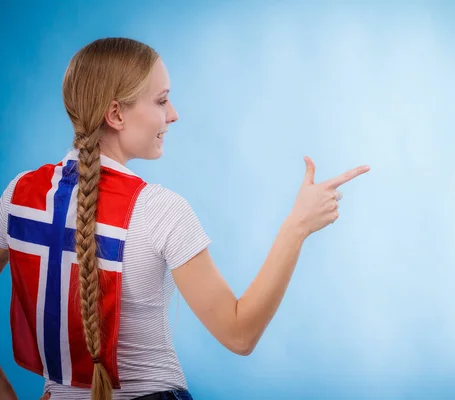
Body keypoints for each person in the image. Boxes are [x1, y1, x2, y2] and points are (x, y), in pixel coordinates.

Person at [0, 37, 370, 400]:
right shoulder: (157, 209)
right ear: (115, 114)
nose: (173, 114)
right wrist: (298, 226)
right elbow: (239, 335)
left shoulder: (18, 195)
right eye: (161, 100)